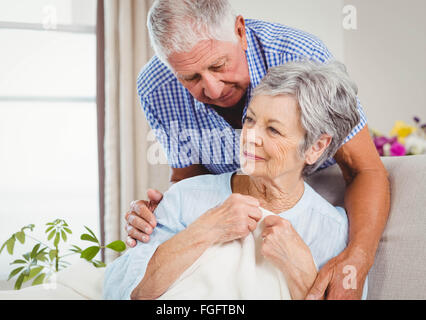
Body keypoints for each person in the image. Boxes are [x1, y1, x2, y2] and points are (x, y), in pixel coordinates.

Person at [125, 0, 390, 300]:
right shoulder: (156, 87)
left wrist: (357, 257)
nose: (212, 90)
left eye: (218, 65)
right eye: (191, 78)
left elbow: (364, 168)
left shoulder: (301, 56)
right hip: (224, 205)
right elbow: (187, 178)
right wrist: (164, 213)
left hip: (297, 197)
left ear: (239, 31)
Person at [104, 60, 367, 300]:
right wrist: (208, 228)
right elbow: (131, 294)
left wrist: (302, 273)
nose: (250, 136)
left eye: (273, 129)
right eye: (250, 120)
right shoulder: (184, 197)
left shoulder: (333, 232)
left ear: (315, 147)